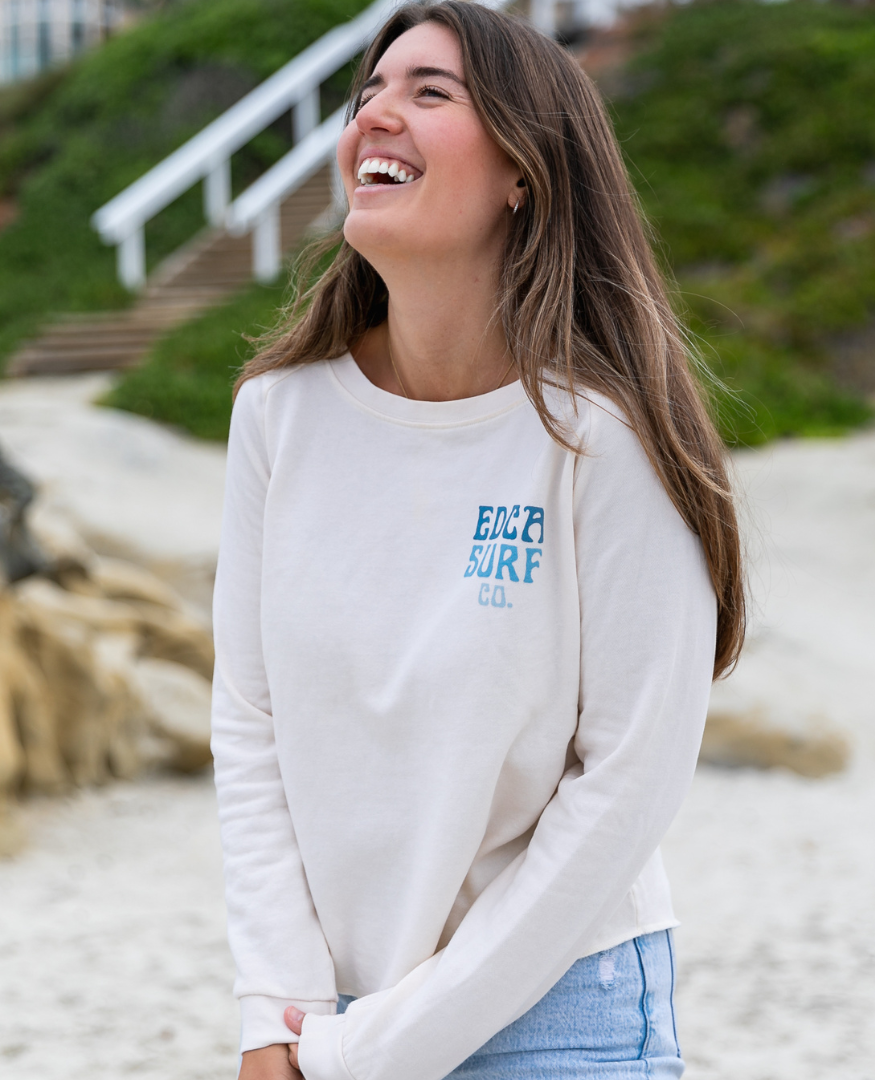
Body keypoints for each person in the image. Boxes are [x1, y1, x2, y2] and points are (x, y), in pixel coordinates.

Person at [211, 3, 744, 1079]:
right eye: (368, 94)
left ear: (523, 173)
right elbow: (250, 722)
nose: (375, 116)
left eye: (429, 93)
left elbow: (627, 784)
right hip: (328, 1015)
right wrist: (277, 1008)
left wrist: (381, 1048)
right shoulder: (279, 415)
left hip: (557, 1014)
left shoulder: (602, 437)